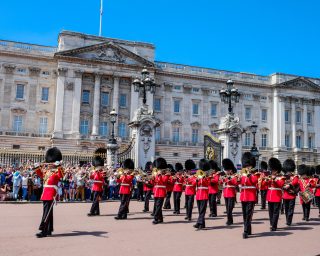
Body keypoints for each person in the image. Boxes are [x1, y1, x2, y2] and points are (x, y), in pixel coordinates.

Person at [36, 147, 64, 238]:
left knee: (46, 213)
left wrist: (59, 165)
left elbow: (61, 175)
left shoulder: (56, 172)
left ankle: (43, 231)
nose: (49, 164)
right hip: (45, 194)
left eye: (51, 163)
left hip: (51, 194)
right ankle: (49, 229)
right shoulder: (47, 172)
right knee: (48, 212)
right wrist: (37, 167)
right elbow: (40, 175)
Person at [239, 152, 258, 239]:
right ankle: (249, 229)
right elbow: (238, 182)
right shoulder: (242, 174)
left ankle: (245, 231)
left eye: (249, 166)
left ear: (252, 166)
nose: (247, 167)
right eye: (246, 166)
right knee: (244, 214)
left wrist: (250, 175)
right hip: (243, 196)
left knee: (249, 214)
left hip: (251, 196)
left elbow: (255, 181)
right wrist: (238, 178)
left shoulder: (255, 174)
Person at [266, 157, 285, 231]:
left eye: (273, 170)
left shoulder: (282, 177)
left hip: (277, 196)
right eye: (272, 170)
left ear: (277, 170)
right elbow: (265, 185)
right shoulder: (269, 177)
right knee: (270, 212)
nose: (272, 171)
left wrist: (274, 179)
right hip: (270, 196)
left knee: (275, 212)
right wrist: (266, 180)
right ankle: (271, 224)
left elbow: (280, 185)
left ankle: (274, 225)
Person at [194, 159, 210, 230]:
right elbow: (193, 184)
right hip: (198, 195)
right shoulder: (197, 176)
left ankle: (198, 223)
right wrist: (196, 180)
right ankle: (202, 224)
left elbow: (208, 184)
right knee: (200, 210)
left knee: (202, 210)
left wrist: (204, 177)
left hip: (204, 194)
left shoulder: (208, 177)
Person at [282, 159, 299, 226]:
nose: (288, 172)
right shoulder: (284, 176)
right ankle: (287, 219)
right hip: (285, 195)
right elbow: (281, 183)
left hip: (292, 195)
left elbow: (295, 182)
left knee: (291, 209)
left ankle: (289, 221)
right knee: (286, 209)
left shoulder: (294, 176)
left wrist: (289, 184)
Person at [152, 157, 169, 224]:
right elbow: (154, 182)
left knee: (158, 206)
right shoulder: (157, 174)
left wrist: (159, 175)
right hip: (156, 191)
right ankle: (160, 218)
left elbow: (163, 181)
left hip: (161, 192)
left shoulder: (166, 175)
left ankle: (156, 218)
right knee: (157, 205)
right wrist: (152, 178)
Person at [222, 158, 238, 225]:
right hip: (226, 194)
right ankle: (230, 220)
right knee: (227, 208)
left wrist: (230, 179)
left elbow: (235, 183)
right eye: (226, 170)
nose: (227, 171)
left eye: (228, 170)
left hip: (231, 194)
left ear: (231, 170)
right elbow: (221, 183)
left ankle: (229, 220)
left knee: (229, 209)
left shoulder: (234, 176)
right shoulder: (225, 176)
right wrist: (222, 180)